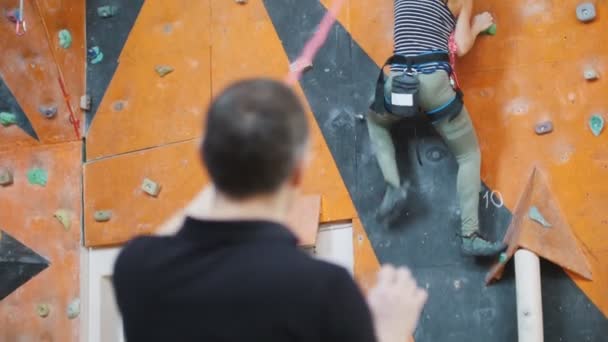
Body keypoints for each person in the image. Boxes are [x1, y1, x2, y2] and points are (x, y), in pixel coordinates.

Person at [113, 79, 428, 342]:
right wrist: (390, 331)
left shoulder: (136, 268)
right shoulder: (322, 292)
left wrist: (225, 158)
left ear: (204, 159)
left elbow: (179, 234)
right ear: (298, 173)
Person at [367, 0, 507, 256]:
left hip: (400, 84)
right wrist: (475, 26)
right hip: (435, 86)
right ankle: (470, 235)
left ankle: (393, 184)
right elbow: (462, 46)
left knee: (376, 122)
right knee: (468, 155)